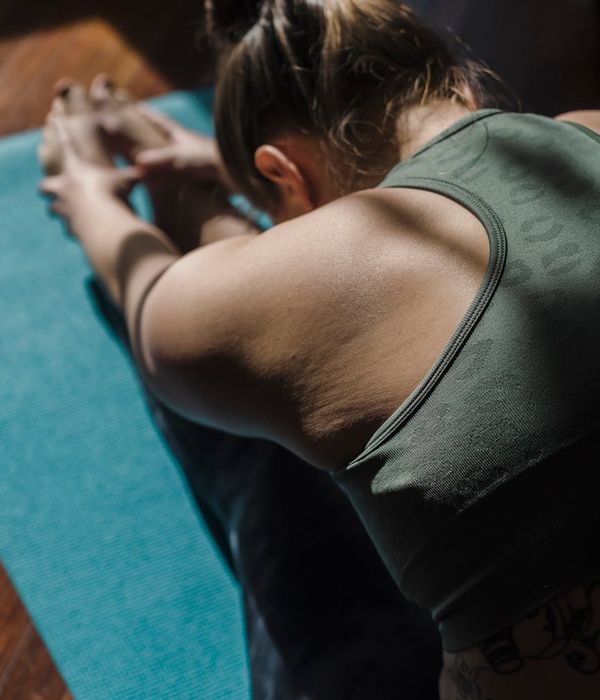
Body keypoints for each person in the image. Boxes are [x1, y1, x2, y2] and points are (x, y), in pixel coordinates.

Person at [39, 1, 600, 698]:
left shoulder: (324, 282)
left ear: (286, 175)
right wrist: (254, 179)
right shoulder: (583, 135)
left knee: (273, 453)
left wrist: (88, 190)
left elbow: (151, 293)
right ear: (463, 88)